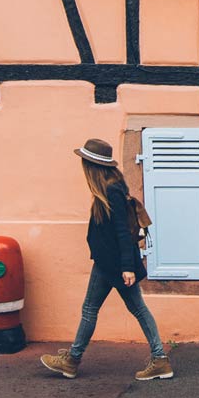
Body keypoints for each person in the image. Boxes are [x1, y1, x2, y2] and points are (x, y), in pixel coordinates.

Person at [39, 138, 174, 381]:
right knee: (125, 309)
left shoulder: (111, 191)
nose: (83, 167)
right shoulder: (110, 188)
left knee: (98, 310)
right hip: (110, 262)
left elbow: (122, 231)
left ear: (93, 167)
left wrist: (127, 268)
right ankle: (158, 358)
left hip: (113, 265)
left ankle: (73, 360)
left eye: (85, 163)